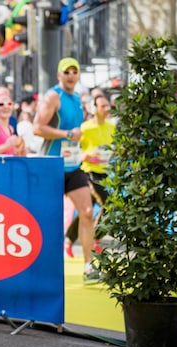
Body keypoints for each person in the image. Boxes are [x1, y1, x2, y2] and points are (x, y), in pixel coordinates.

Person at [33, 57, 99, 284]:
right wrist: (67, 134)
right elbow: (37, 127)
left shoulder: (78, 98)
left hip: (73, 165)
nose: (71, 75)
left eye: (74, 71)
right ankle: (42, 269)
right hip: (52, 165)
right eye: (66, 71)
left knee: (88, 212)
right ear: (59, 75)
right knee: (48, 219)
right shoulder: (53, 96)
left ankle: (89, 267)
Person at [65, 94, 115, 255]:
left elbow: (115, 146)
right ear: (94, 109)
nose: (106, 109)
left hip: (105, 172)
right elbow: (72, 147)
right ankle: (95, 239)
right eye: (102, 106)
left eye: (107, 106)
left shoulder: (111, 127)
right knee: (110, 205)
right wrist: (83, 156)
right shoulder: (85, 127)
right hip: (88, 172)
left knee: (86, 210)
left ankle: (69, 239)